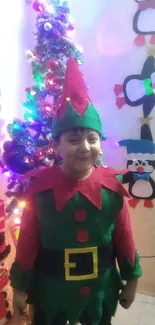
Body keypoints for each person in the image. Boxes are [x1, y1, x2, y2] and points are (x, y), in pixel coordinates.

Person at [10, 57, 142, 325]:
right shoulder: (40, 191)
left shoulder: (112, 188)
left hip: (99, 289)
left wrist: (132, 279)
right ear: (56, 146)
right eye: (73, 140)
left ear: (100, 144)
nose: (84, 147)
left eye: (92, 138)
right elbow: (27, 243)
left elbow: (124, 237)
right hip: (52, 289)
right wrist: (20, 286)